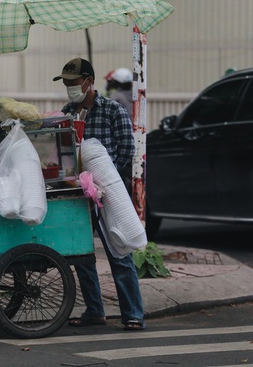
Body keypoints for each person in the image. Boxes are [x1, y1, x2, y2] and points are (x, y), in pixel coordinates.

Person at [53, 57, 146, 331]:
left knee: (119, 252)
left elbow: (127, 148)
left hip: (108, 193)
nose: (70, 87)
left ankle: (133, 313)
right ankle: (95, 311)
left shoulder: (112, 110)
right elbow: (60, 152)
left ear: (89, 81)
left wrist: (104, 179)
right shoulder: (67, 112)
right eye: (67, 83)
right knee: (82, 255)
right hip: (77, 195)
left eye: (74, 82)